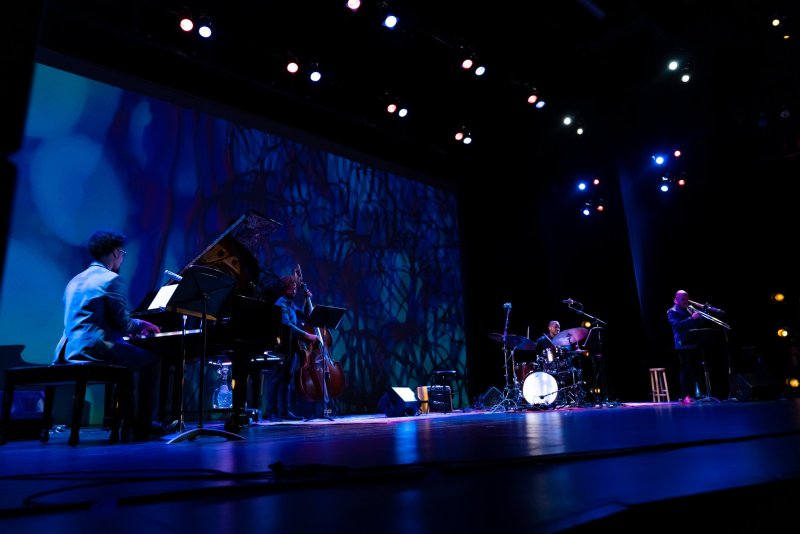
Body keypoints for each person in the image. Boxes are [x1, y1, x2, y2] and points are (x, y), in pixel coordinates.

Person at [53, 229, 177, 440]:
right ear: (116, 252)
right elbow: (124, 324)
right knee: (153, 360)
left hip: (68, 349)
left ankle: (129, 420)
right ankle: (144, 424)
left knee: (132, 358)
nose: (122, 258)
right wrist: (142, 325)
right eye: (123, 254)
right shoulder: (111, 279)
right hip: (96, 349)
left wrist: (135, 323)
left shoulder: (75, 280)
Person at [263, 273, 316, 421]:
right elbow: (288, 325)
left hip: (291, 348)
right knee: (275, 379)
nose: (294, 291)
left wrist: (307, 299)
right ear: (285, 289)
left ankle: (284, 412)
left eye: (295, 289)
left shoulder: (291, 304)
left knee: (286, 380)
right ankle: (271, 412)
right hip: (280, 348)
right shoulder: (281, 304)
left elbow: (304, 316)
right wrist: (307, 335)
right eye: (291, 289)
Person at [667, 289, 704, 404]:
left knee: (696, 370)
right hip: (682, 344)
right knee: (685, 370)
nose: (685, 301)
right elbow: (677, 325)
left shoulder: (689, 309)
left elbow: (699, 324)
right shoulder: (672, 311)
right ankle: (685, 396)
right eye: (683, 299)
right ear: (676, 299)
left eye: (687, 299)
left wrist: (699, 317)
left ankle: (697, 394)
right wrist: (691, 318)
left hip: (694, 343)